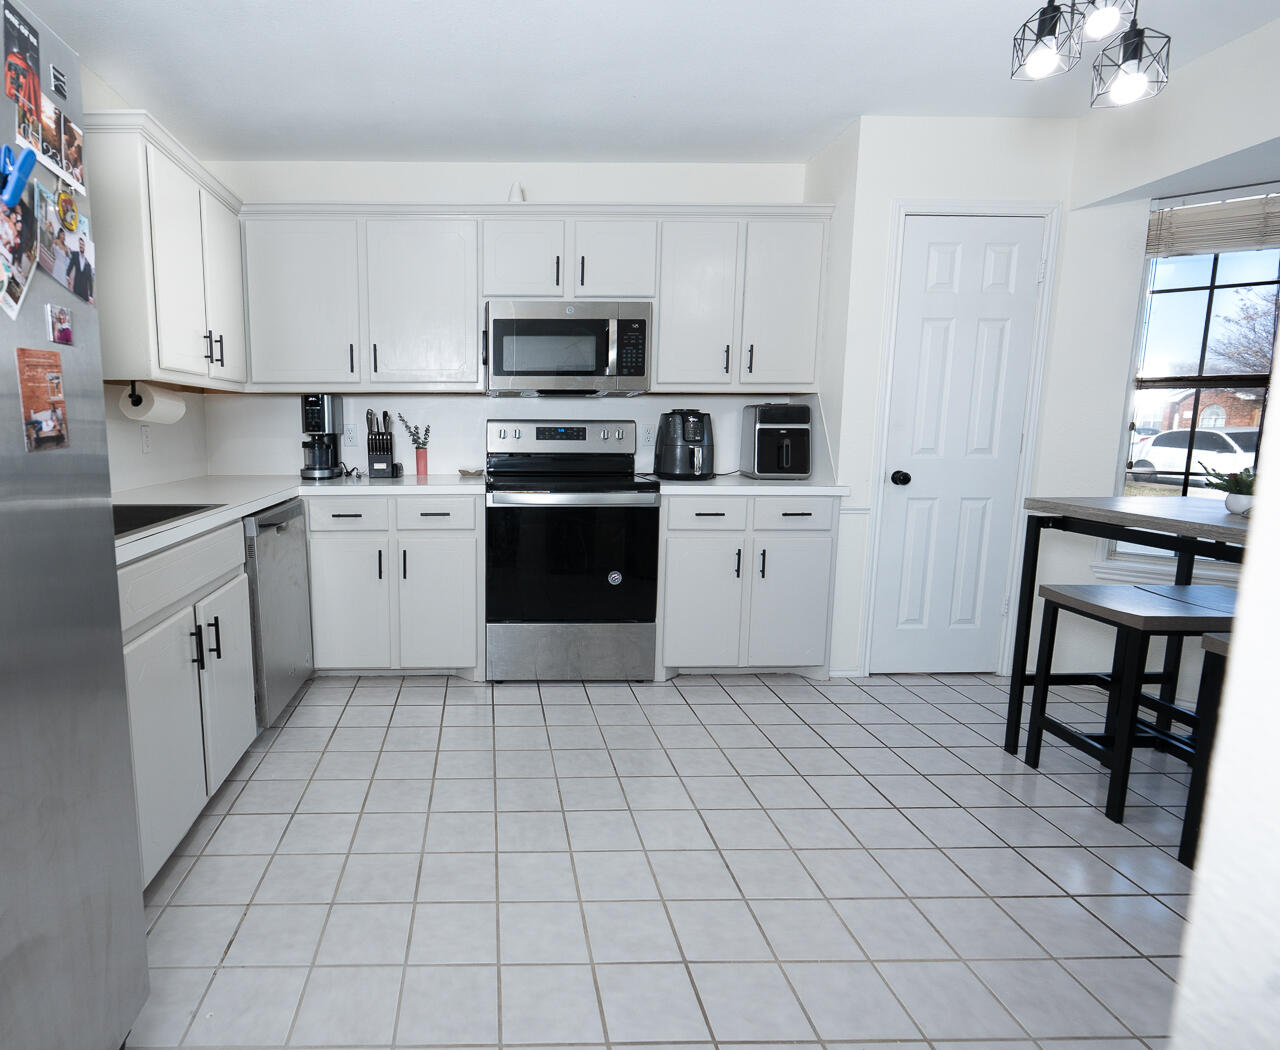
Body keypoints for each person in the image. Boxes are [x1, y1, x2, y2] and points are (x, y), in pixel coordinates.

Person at [65, 235, 92, 302]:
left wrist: (91, 296)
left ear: (85, 246)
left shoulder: (88, 261)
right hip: (76, 287)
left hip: (85, 291)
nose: (81, 246)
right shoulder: (75, 254)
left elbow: (90, 280)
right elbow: (70, 265)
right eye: (80, 244)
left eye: (83, 244)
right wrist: (67, 276)